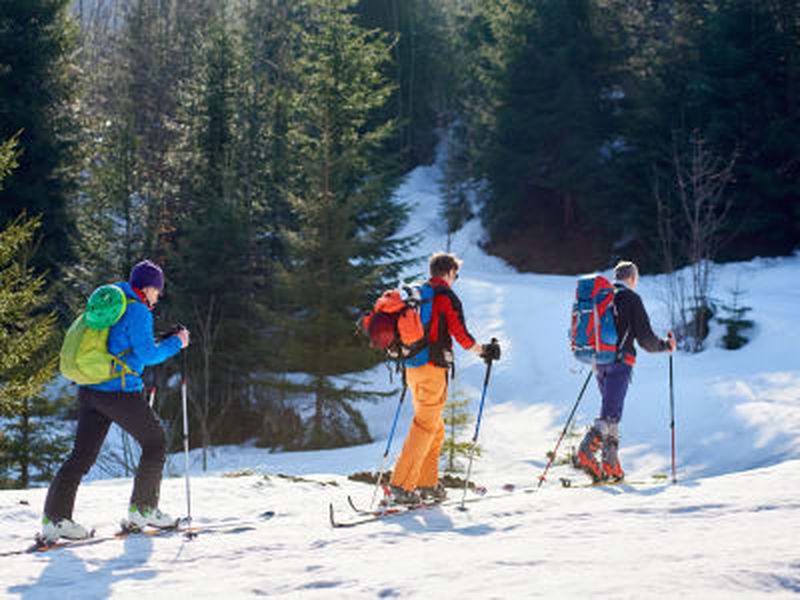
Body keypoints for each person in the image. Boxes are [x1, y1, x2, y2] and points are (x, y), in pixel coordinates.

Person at [41, 260, 190, 542]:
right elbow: (147, 356)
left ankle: (55, 519)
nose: (158, 296)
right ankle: (143, 509)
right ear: (147, 288)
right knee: (155, 441)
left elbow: (123, 347)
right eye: (157, 290)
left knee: (81, 457)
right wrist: (176, 343)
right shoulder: (137, 310)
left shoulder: (112, 305)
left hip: (90, 391)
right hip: (119, 392)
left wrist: (160, 340)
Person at [388, 252, 495, 505]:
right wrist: (484, 351)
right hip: (432, 367)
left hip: (412, 367)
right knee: (425, 425)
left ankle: (426, 483)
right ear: (448, 272)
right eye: (455, 274)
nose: (455, 279)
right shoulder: (445, 296)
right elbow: (460, 333)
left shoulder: (420, 293)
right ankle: (402, 485)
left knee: (435, 427)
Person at [575, 260, 676, 482]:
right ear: (632, 278)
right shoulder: (630, 298)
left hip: (598, 361)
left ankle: (611, 465)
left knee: (612, 413)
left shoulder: (603, 296)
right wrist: (666, 346)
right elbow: (646, 339)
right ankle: (585, 452)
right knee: (610, 413)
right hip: (620, 363)